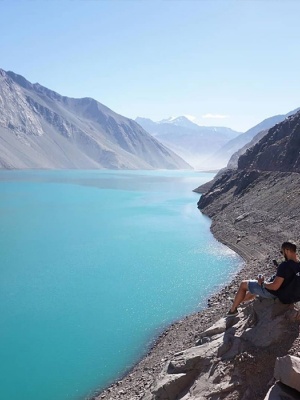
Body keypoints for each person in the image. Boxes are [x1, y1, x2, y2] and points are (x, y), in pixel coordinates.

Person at [227, 241, 300, 317]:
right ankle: (238, 301)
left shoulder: (285, 265)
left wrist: (262, 283)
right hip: (291, 296)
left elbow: (274, 287)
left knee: (244, 284)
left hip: (276, 294)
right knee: (254, 286)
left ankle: (233, 310)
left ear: (287, 251)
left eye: (282, 252)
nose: (282, 254)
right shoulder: (298, 264)